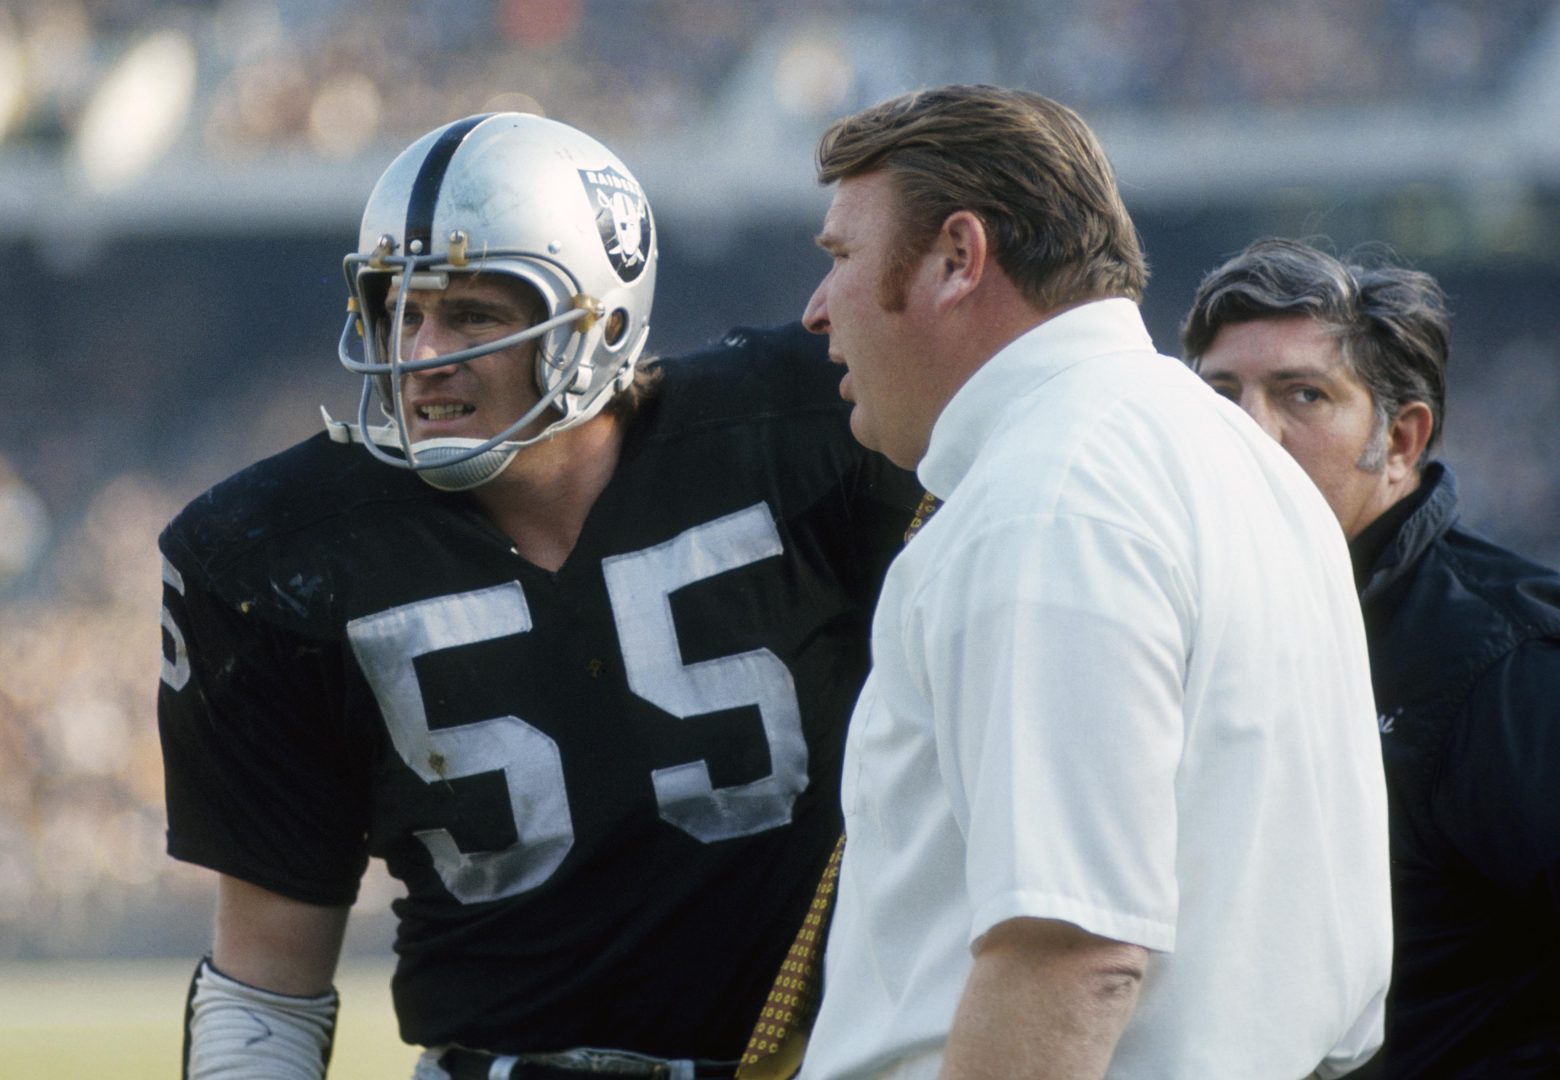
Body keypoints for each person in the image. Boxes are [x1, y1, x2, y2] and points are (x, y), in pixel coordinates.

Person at [156, 112, 920, 1080]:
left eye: (475, 315)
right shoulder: (269, 555)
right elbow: (266, 981)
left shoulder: (808, 430)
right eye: (401, 310)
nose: (423, 352)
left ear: (602, 323)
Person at [792, 84, 1392, 1080]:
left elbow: (1072, 954)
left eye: (841, 257)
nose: (817, 309)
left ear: (958, 258)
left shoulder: (1050, 498)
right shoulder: (1237, 462)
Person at [1182, 237, 1560, 1077]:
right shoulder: (1189, 630)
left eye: (1303, 395)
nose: (1250, 431)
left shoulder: (1508, 664)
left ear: (1399, 440)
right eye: (1220, 395)